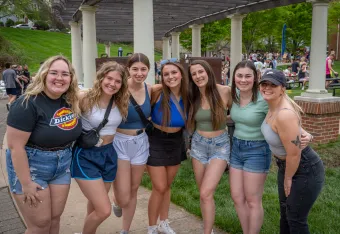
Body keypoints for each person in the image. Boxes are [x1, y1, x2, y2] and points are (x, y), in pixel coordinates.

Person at [230, 61, 313, 234]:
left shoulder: (264, 97)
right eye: (239, 75)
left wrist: (305, 133)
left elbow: (285, 114)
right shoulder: (233, 94)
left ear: (255, 78)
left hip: (257, 150)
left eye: (248, 76)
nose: (243, 80)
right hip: (236, 148)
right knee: (237, 198)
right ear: (234, 77)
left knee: (253, 200)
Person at [6, 55, 82, 234]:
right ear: (44, 75)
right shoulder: (26, 104)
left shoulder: (70, 101)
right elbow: (15, 147)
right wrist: (26, 183)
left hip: (62, 165)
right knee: (39, 225)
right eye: (54, 72)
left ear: (71, 79)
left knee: (54, 219)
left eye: (65, 74)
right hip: (32, 166)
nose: (59, 78)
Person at [259, 70, 324, 234]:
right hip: (287, 165)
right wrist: (307, 133)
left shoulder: (284, 114)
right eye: (264, 84)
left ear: (282, 88)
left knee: (296, 219)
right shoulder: (272, 105)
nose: (267, 88)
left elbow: (294, 153)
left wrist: (288, 177)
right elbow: (294, 132)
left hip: (304, 168)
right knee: (286, 215)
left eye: (273, 84)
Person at [71, 61, 129, 234]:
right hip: (86, 155)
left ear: (122, 84)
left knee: (96, 205)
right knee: (104, 210)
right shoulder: (84, 97)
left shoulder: (121, 101)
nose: (112, 84)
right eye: (109, 78)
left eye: (117, 81)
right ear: (101, 77)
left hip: (108, 154)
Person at [187, 60, 231, 234]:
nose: (198, 76)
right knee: (204, 194)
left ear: (208, 72)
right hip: (198, 145)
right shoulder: (191, 94)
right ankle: (209, 228)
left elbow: (242, 110)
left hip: (220, 145)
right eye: (194, 74)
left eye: (200, 72)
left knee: (206, 192)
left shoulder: (225, 91)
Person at [112, 53, 152, 234]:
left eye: (143, 69)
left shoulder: (151, 90)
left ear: (148, 70)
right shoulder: (118, 88)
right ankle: (117, 200)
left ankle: (125, 230)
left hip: (141, 142)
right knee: (123, 192)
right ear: (128, 69)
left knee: (134, 188)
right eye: (135, 69)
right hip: (119, 141)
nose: (139, 73)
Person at [147, 58, 188, 234]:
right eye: (166, 74)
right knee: (159, 186)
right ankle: (151, 226)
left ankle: (164, 222)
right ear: (161, 77)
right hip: (155, 140)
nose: (170, 77)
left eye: (173, 72)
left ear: (181, 74)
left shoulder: (190, 94)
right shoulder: (156, 91)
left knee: (167, 186)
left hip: (176, 141)